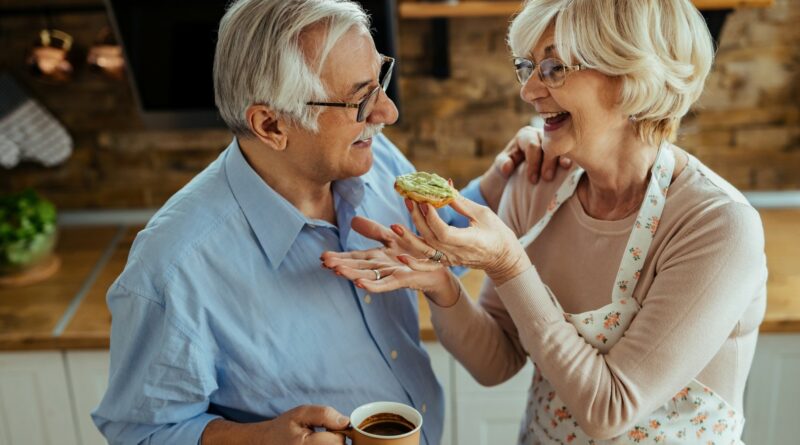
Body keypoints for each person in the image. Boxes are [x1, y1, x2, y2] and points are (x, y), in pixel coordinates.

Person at [90, 1, 568, 444]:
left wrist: (500, 177)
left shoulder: (370, 156)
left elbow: (428, 253)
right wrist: (261, 439)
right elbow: (140, 433)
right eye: (360, 100)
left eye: (380, 80)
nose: (387, 112)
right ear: (271, 126)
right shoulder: (172, 269)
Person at [323, 0, 768, 443]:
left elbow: (609, 409)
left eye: (554, 68)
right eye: (527, 66)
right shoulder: (538, 184)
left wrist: (508, 264)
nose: (529, 90)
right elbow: (497, 361)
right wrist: (441, 285)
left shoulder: (717, 227)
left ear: (632, 76)